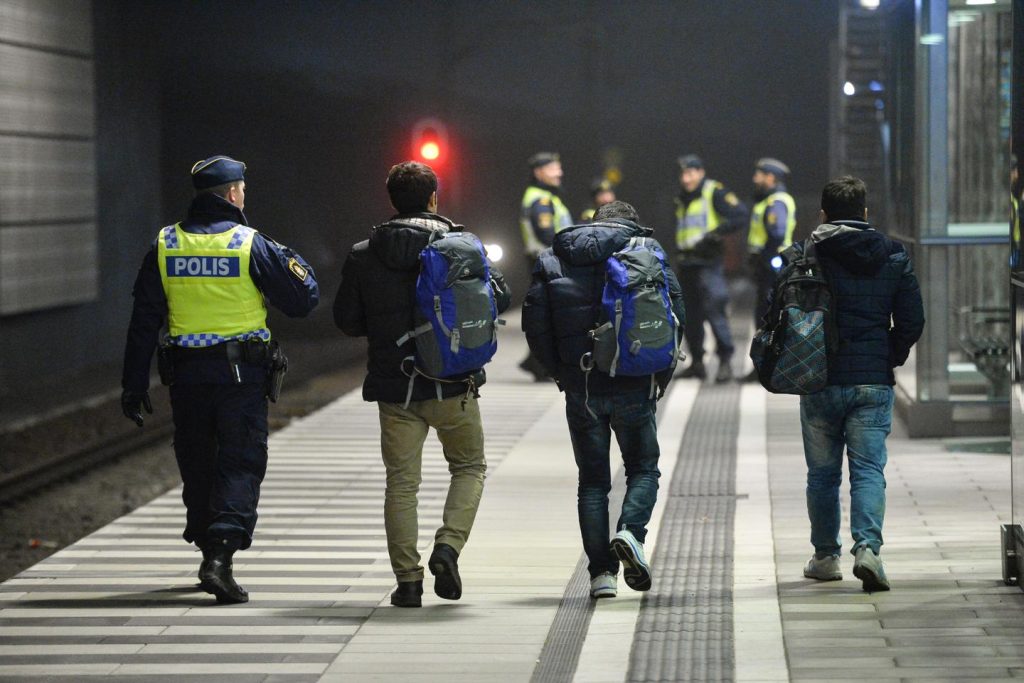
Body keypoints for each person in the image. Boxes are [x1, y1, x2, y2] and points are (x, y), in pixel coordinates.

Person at [120, 155, 320, 604]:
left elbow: (143, 320)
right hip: (240, 376)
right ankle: (220, 558)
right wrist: (292, 259)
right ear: (232, 194)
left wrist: (133, 384)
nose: (244, 195)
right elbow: (303, 299)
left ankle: (207, 546)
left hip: (187, 377)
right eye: (243, 189)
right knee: (239, 460)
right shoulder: (249, 244)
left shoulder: (165, 244)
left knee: (197, 460)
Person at [335, 161, 511, 608]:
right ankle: (448, 548)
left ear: (392, 200)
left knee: (401, 484)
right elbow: (501, 298)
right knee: (469, 468)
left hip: (397, 389)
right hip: (454, 383)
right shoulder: (461, 245)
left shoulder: (363, 253)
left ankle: (408, 583)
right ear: (434, 198)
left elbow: (346, 320)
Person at [522, 200, 685, 599]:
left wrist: (559, 373)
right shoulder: (649, 253)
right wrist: (659, 377)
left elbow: (534, 324)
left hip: (583, 388)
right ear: (630, 224)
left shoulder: (555, 257)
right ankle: (631, 532)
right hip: (635, 383)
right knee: (643, 468)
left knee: (593, 482)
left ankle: (601, 576)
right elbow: (674, 319)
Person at [796, 176, 924, 592]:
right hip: (872, 378)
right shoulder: (892, 254)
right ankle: (868, 549)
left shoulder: (808, 254)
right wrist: (890, 354)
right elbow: (912, 319)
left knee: (822, 474)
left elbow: (779, 313)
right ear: (866, 214)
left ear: (823, 214)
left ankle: (826, 557)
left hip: (818, 377)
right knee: (869, 470)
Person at [672, 154, 748, 383]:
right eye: (683, 174)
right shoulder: (682, 198)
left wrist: (717, 233)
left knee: (715, 309)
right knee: (690, 316)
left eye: (690, 173)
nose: (686, 178)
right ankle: (697, 363)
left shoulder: (714, 192)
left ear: (700, 172)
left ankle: (725, 362)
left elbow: (740, 214)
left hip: (707, 263)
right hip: (687, 263)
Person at [519, 152, 572, 380]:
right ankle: (540, 364)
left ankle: (536, 362)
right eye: (553, 168)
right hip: (547, 260)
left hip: (544, 261)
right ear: (539, 172)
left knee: (545, 314)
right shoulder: (540, 199)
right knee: (551, 315)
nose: (559, 172)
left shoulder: (544, 196)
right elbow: (547, 233)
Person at [743, 158, 796, 381]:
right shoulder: (769, 200)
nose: (755, 179)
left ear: (770, 177)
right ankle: (766, 366)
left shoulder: (776, 201)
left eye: (759, 175)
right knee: (768, 316)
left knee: (767, 318)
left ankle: (767, 368)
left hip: (772, 267)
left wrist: (763, 256)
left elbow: (776, 233)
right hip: (769, 267)